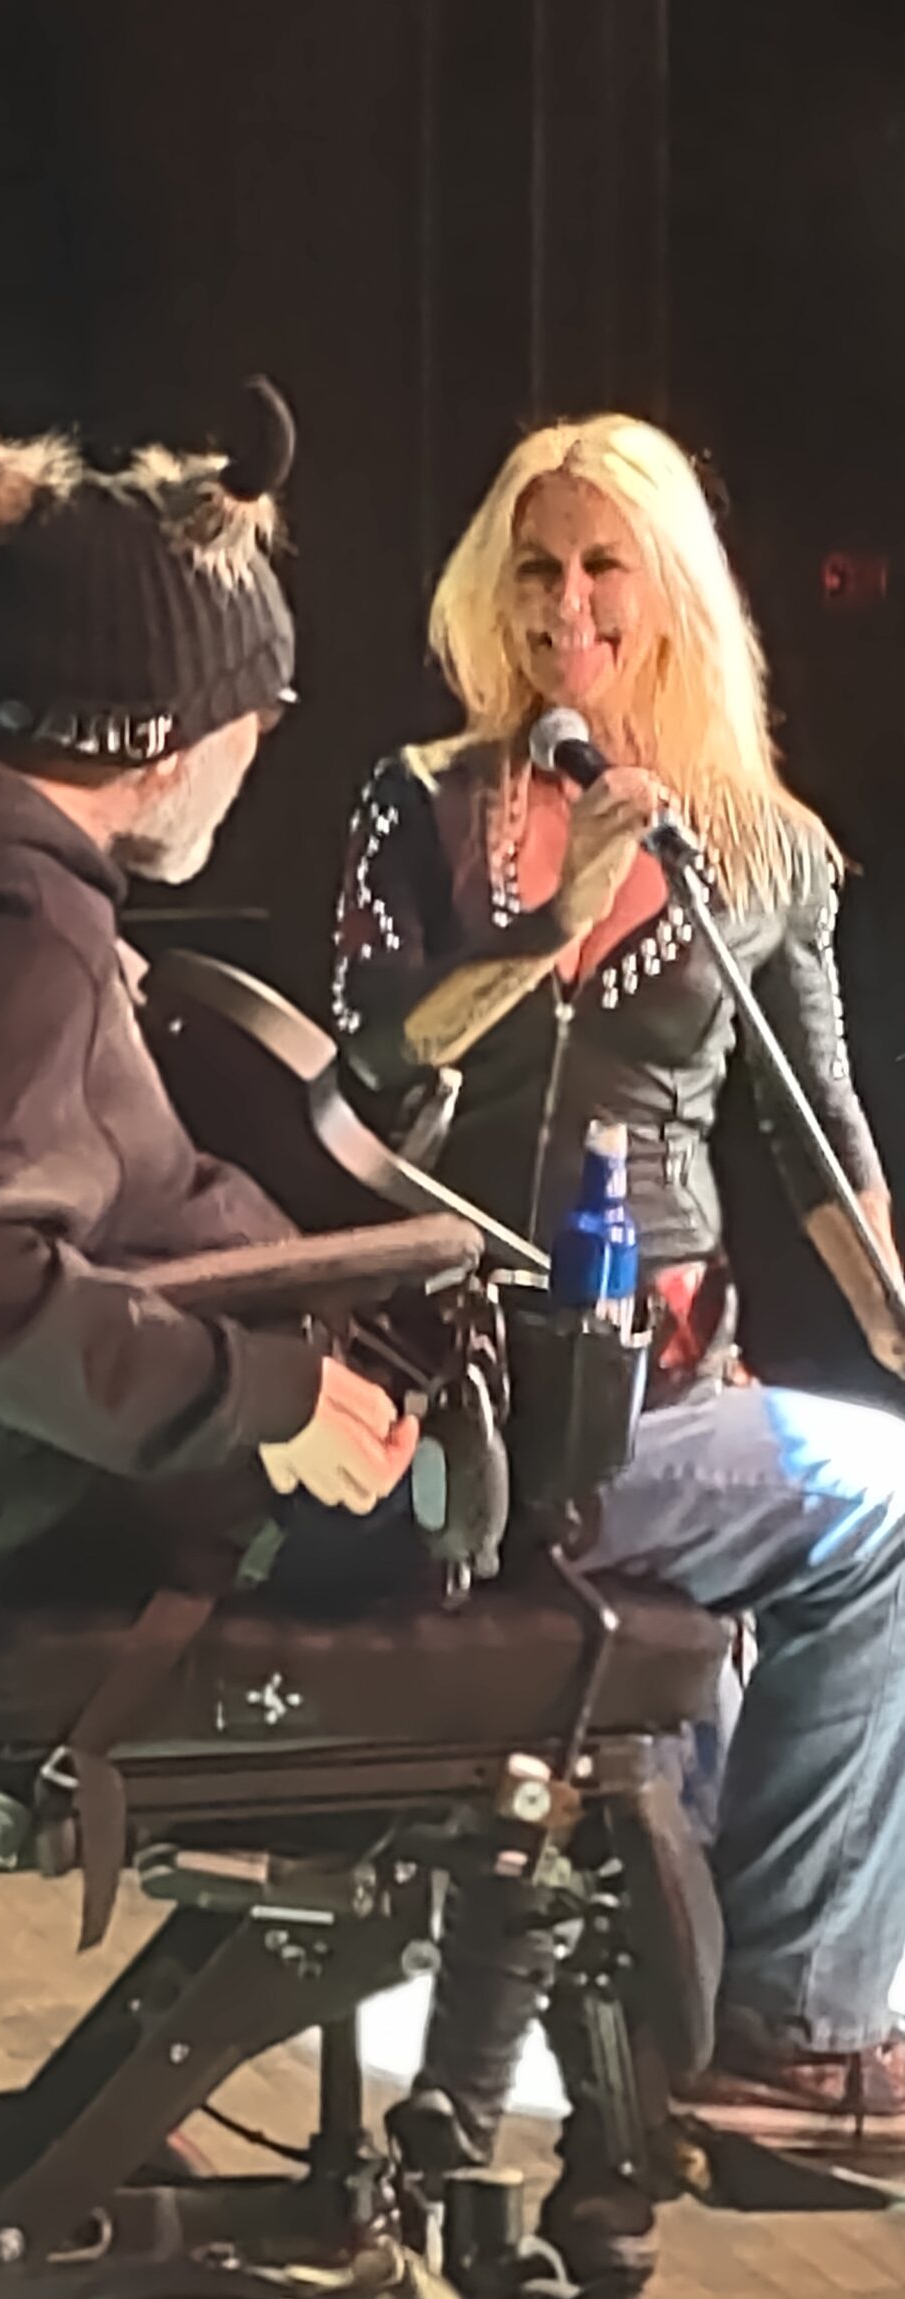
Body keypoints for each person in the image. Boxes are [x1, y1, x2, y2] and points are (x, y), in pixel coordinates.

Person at [334, 412, 905, 2131]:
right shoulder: (418, 804)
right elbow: (373, 1072)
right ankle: (801, 2023)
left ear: (671, 595)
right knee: (885, 1514)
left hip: (667, 1386)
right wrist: (551, 918)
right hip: (465, 1395)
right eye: (536, 568)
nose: (565, 604)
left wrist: (893, 1317)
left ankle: (699, 2032)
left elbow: (817, 1136)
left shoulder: (765, 847)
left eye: (603, 567)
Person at [0, 381, 420, 1634]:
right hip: (178, 1509)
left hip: (70, 1469)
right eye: (256, 718)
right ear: (163, 743)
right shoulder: (21, 937)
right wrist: (265, 1394)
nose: (258, 751)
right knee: (795, 1514)